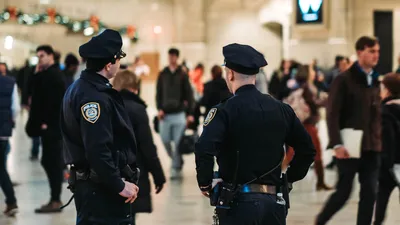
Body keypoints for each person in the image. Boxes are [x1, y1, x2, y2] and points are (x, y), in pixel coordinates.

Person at [195, 43, 316, 225]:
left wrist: (205, 183)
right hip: (274, 204)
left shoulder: (224, 111)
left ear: (230, 74)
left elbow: (204, 149)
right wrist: (288, 178)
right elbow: (307, 149)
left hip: (236, 204)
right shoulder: (282, 110)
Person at [61, 29, 140, 225]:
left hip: (94, 187)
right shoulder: (94, 98)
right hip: (100, 191)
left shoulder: (79, 88)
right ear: (108, 64)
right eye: (118, 60)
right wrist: (118, 184)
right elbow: (97, 148)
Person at [316, 36, 382, 225]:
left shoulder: (375, 80)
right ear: (360, 52)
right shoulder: (343, 80)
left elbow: (376, 114)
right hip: (349, 146)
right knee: (343, 192)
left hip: (372, 147)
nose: (376, 55)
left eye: (377, 51)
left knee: (370, 193)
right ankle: (320, 221)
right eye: (372, 51)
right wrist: (336, 143)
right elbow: (332, 113)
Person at [113, 70, 166, 225]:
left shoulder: (107, 105)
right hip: (132, 172)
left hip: (109, 172)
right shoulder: (137, 109)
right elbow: (147, 146)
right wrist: (158, 175)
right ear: (135, 88)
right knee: (129, 216)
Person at [25, 45, 66, 213]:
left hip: (52, 128)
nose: (39, 59)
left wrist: (47, 123)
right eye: (38, 56)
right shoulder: (45, 74)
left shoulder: (54, 75)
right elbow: (32, 90)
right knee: (48, 161)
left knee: (52, 162)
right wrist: (35, 73)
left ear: (51, 56)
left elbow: (55, 103)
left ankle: (55, 200)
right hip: (47, 127)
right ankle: (54, 198)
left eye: (42, 56)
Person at [284, 65, 331, 191]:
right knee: (315, 151)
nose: (313, 72)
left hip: (302, 123)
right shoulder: (308, 87)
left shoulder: (301, 86)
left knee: (292, 152)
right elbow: (314, 103)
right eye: (311, 71)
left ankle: (277, 176)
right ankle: (320, 182)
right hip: (307, 124)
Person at [156, 48, 194, 180]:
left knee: (178, 143)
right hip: (165, 114)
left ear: (176, 57)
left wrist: (190, 113)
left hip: (179, 114)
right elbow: (158, 93)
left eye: (173, 56)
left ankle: (175, 168)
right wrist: (159, 108)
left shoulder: (182, 74)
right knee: (165, 140)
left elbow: (189, 94)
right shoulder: (163, 73)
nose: (171, 58)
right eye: (169, 56)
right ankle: (177, 160)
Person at [373, 73, 400, 225]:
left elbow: (388, 141)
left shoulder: (385, 112)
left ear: (388, 90)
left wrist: (384, 164)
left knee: (382, 198)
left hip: (391, 164)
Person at [0, 66, 19, 217]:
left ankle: (11, 201)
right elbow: (15, 108)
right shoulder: (10, 83)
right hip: (3, 133)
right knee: (1, 168)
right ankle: (11, 201)